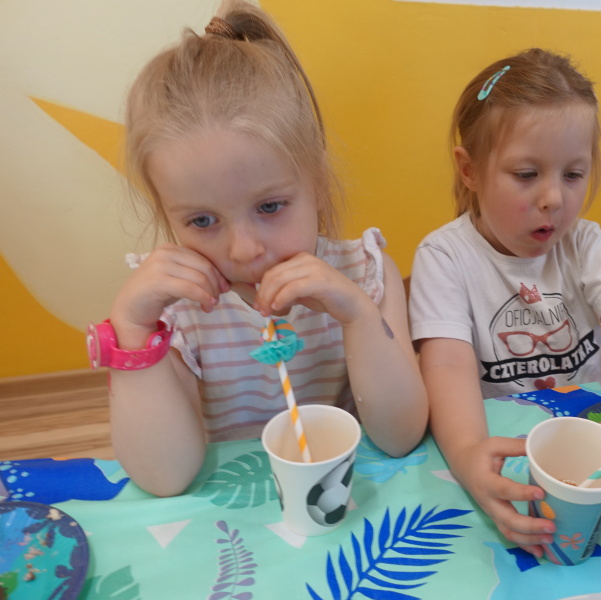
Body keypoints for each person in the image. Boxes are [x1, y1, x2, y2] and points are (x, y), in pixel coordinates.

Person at [93, 0, 427, 497]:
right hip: (237, 509)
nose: (244, 249)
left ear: (318, 183)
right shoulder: (176, 309)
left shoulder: (364, 273)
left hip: (351, 500)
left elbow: (401, 437)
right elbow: (164, 477)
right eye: (202, 221)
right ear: (167, 213)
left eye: (270, 207)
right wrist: (134, 330)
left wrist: (358, 316)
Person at [408, 49, 601, 558]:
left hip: (588, 446)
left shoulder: (586, 244)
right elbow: (445, 365)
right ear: (470, 170)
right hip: (501, 452)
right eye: (527, 174)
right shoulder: (444, 257)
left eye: (573, 175)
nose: (554, 197)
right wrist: (467, 456)